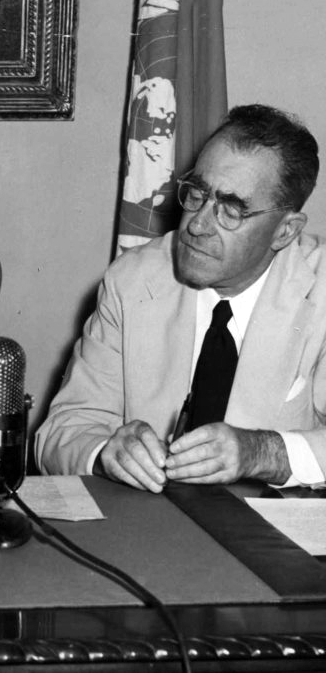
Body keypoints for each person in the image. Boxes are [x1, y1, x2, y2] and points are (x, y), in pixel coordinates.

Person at [36, 104, 325, 493]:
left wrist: (263, 452)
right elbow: (61, 431)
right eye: (197, 194)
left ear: (285, 232)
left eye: (232, 210)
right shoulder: (134, 280)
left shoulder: (319, 290)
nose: (198, 225)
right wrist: (105, 452)